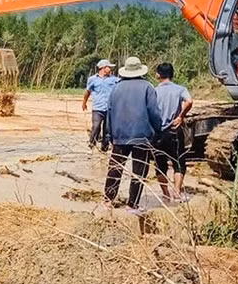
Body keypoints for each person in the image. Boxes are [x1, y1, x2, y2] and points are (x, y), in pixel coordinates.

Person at [104, 56, 162, 215]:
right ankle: (132, 204)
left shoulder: (116, 88)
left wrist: (110, 135)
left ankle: (108, 200)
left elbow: (109, 112)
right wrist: (158, 131)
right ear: (140, 71)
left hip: (120, 135)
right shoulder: (148, 87)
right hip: (141, 135)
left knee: (115, 167)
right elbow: (154, 113)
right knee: (139, 170)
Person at [152, 62, 193, 203]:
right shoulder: (180, 89)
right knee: (178, 163)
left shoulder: (154, 91)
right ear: (172, 74)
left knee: (160, 165)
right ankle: (177, 192)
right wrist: (181, 116)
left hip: (158, 133)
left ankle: (165, 194)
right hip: (174, 130)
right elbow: (189, 101)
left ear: (158, 74)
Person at [82, 59, 119, 151]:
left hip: (109, 108)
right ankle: (91, 144)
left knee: (107, 129)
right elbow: (87, 92)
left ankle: (104, 148)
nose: (110, 69)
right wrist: (84, 102)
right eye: (108, 67)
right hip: (97, 108)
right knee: (96, 126)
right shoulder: (92, 79)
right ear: (103, 68)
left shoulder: (114, 79)